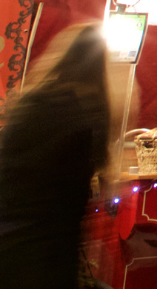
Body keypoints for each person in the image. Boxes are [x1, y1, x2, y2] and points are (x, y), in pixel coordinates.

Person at [0, 24, 120, 289]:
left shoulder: (31, 101)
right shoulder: (89, 112)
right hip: (49, 253)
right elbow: (104, 178)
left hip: (9, 241)